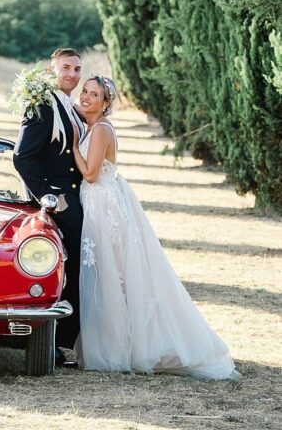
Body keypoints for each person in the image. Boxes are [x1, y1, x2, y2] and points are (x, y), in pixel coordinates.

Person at [72, 74, 240, 380]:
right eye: (85, 91)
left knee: (114, 276)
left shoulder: (99, 131)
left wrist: (72, 146)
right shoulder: (92, 127)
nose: (85, 97)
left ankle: (125, 347)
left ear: (105, 102)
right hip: (99, 204)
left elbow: (91, 174)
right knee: (112, 275)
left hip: (104, 207)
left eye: (93, 94)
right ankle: (122, 343)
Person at [13, 47, 86, 361]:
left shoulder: (66, 104)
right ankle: (55, 342)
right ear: (51, 69)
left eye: (77, 69)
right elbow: (22, 156)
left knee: (77, 269)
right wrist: (49, 196)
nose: (72, 74)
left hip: (76, 197)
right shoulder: (43, 104)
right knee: (62, 270)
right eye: (66, 68)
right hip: (61, 201)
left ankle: (68, 339)